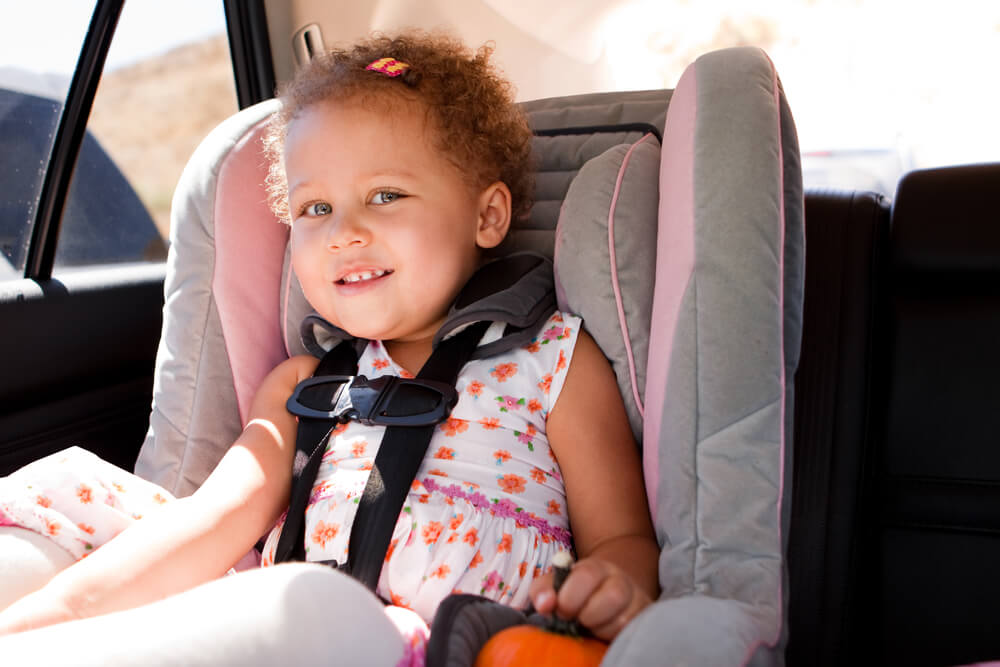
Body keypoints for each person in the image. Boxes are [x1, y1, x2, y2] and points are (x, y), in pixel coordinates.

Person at [0, 32, 658, 665]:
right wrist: (57, 607)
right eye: (315, 209)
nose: (344, 232)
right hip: (269, 617)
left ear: (487, 217)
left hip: (442, 641)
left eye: (385, 195)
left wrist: (614, 585)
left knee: (303, 601)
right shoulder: (300, 386)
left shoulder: (553, 363)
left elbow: (623, 539)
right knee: (68, 497)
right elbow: (214, 520)